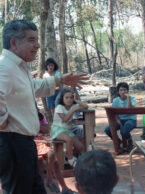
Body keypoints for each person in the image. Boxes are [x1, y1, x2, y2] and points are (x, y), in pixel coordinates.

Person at [0, 20, 88, 193]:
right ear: (13, 43)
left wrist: (60, 79)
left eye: (37, 40)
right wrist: (2, 123)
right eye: (31, 40)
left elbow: (34, 88)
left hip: (24, 144)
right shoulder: (5, 67)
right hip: (13, 144)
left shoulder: (18, 67)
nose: (38, 45)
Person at [35, 110, 75, 194]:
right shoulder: (26, 117)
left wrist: (37, 124)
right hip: (33, 142)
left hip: (43, 141)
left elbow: (46, 130)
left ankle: (63, 187)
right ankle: (46, 185)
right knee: (41, 165)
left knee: (55, 162)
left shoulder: (40, 115)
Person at [51, 88, 87, 167]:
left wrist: (76, 100)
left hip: (67, 130)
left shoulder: (73, 105)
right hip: (57, 129)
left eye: (71, 97)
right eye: (66, 98)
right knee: (69, 139)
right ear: (62, 98)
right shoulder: (59, 107)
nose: (69, 100)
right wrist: (73, 110)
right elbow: (65, 119)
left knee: (80, 147)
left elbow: (86, 106)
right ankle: (71, 160)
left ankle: (68, 155)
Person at [104, 82, 137, 153]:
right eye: (121, 90)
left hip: (131, 119)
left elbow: (130, 109)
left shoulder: (132, 98)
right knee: (107, 129)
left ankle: (129, 141)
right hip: (119, 120)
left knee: (124, 131)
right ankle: (118, 141)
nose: (123, 92)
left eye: (125, 90)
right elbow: (114, 114)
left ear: (127, 91)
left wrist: (128, 98)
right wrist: (119, 123)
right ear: (118, 91)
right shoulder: (115, 100)